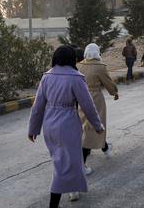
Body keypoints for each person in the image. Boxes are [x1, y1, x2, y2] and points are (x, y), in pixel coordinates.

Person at [28, 45, 104, 208]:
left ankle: (73, 190)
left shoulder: (46, 77)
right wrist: (97, 124)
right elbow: (87, 105)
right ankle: (54, 203)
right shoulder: (76, 77)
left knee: (65, 161)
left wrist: (33, 129)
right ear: (72, 59)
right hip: (67, 125)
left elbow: (38, 106)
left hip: (49, 126)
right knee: (64, 164)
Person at [77, 44, 119, 185]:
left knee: (86, 127)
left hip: (80, 98)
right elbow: (108, 82)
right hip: (95, 98)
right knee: (95, 126)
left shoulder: (79, 65)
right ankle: (81, 164)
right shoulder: (100, 66)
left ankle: (105, 147)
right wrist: (114, 92)